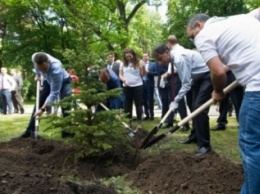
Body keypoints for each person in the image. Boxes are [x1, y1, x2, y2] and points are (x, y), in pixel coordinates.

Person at [186, 7, 260, 193]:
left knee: (250, 144)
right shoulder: (243, 18)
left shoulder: (204, 35)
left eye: (191, 36)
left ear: (198, 25)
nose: (193, 41)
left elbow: (217, 71)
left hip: (257, 88)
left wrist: (218, 90)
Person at [152, 44, 212, 156]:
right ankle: (194, 136)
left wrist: (176, 100)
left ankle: (205, 145)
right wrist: (176, 100)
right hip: (197, 79)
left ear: (166, 52)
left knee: (199, 109)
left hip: (207, 76)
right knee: (193, 108)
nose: (160, 62)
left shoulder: (179, 59)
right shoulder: (174, 57)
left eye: (160, 58)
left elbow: (186, 84)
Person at [16, 52, 72, 138]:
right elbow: (37, 69)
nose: (43, 71)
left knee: (65, 104)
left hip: (64, 82)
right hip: (48, 81)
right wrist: (38, 74)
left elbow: (54, 93)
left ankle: (67, 133)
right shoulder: (34, 57)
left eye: (45, 69)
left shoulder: (56, 68)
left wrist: (42, 109)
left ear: (48, 61)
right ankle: (30, 131)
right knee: (38, 104)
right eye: (41, 69)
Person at [119, 48, 145, 129]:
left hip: (138, 86)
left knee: (138, 104)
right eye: (127, 57)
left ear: (133, 55)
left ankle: (139, 123)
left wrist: (143, 67)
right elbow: (120, 75)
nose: (129, 58)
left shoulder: (138, 62)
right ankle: (129, 122)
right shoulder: (122, 63)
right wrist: (124, 80)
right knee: (127, 105)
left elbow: (143, 74)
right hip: (127, 87)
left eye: (130, 56)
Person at [142, 53, 158, 120]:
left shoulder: (153, 64)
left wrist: (148, 72)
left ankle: (152, 115)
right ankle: (147, 114)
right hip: (142, 84)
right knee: (144, 100)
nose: (145, 57)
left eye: (146, 56)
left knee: (150, 99)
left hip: (150, 84)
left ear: (148, 57)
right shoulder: (141, 64)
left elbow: (156, 73)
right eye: (143, 56)